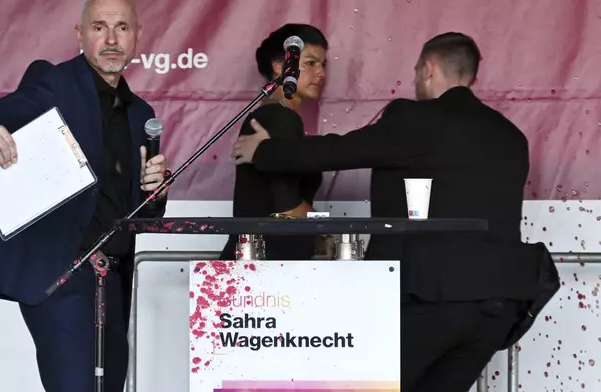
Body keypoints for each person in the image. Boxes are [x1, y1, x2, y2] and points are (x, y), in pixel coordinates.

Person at [232, 32, 554, 391]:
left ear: (429, 69)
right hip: (497, 309)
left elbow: (344, 150)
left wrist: (266, 152)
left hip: (429, 301)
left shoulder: (415, 118)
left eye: (417, 70)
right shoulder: (511, 136)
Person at [0, 0, 168, 391]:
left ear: (138, 36)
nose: (111, 39)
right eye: (99, 28)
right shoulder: (54, 81)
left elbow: (145, 216)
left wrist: (156, 190)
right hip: (62, 271)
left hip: (112, 276)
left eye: (122, 28)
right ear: (80, 35)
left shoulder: (141, 113)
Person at [219, 23, 331, 261]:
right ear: (280, 66)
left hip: (260, 267)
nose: (321, 72)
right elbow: (288, 210)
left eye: (323, 64)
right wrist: (327, 229)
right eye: (310, 63)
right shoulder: (280, 118)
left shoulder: (269, 115)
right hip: (267, 275)